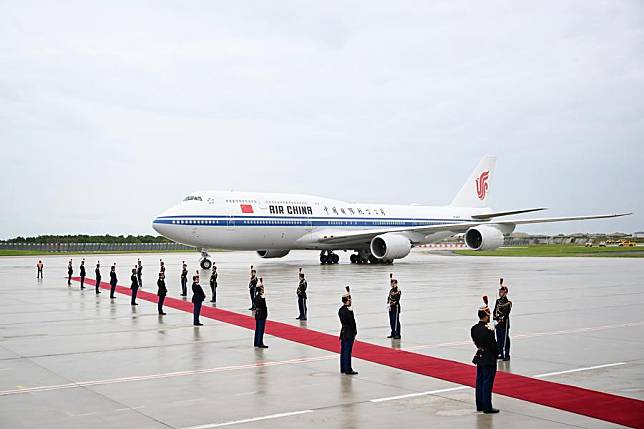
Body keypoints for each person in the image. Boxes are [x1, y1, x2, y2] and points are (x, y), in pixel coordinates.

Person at [471, 301, 500, 414]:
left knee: (479, 382)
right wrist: (496, 354)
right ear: (486, 316)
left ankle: (480, 405)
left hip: (480, 356)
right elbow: (493, 345)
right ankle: (487, 406)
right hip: (488, 358)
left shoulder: (474, 329)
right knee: (487, 382)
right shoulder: (488, 330)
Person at [339, 287, 358, 375]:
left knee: (343, 351)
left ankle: (343, 368)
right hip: (349, 333)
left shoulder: (341, 310)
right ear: (346, 301)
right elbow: (352, 322)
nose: (350, 301)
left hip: (343, 332)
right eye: (349, 299)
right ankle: (348, 369)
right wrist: (355, 331)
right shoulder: (347, 311)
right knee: (347, 351)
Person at [493, 280, 512, 361]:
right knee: (499, 339)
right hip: (498, 323)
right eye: (500, 292)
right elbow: (495, 311)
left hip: (504, 323)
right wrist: (495, 320)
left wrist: (501, 319)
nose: (500, 293)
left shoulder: (508, 303)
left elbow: (506, 313)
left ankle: (507, 354)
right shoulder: (498, 301)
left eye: (502, 292)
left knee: (505, 339)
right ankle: (500, 353)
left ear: (505, 293)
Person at [254, 278, 268, 348]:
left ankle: (256, 342)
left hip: (258, 315)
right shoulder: (261, 298)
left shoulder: (256, 297)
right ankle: (260, 343)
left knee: (257, 329)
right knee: (261, 330)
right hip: (262, 315)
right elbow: (264, 307)